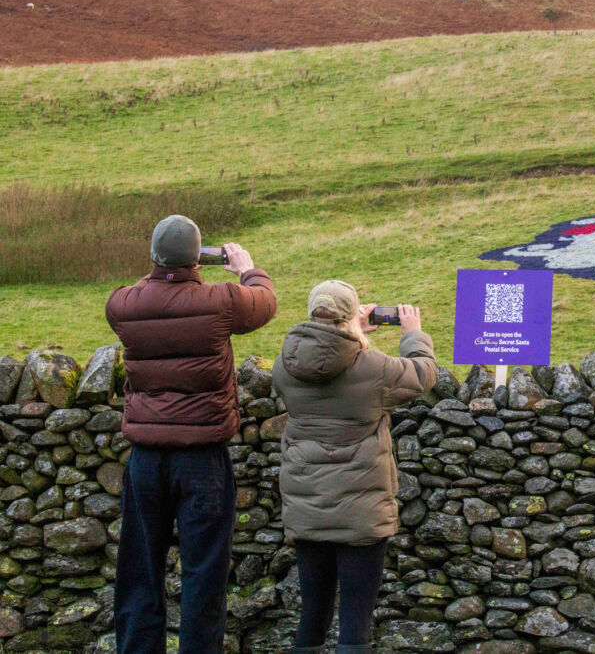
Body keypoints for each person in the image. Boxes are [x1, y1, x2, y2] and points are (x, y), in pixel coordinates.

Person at [105, 215, 277, 654]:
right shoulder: (220, 301)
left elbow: (155, 293)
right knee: (204, 573)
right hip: (203, 458)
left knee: (139, 571)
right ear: (198, 258)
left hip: (145, 458)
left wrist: (164, 269)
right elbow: (265, 302)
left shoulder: (123, 304)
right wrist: (247, 268)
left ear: (153, 256)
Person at [272, 282, 437, 654]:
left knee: (312, 615)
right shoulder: (374, 368)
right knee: (355, 622)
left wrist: (352, 332)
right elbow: (424, 374)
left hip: (307, 508)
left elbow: (327, 362)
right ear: (352, 314)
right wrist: (413, 334)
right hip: (362, 514)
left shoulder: (286, 365)